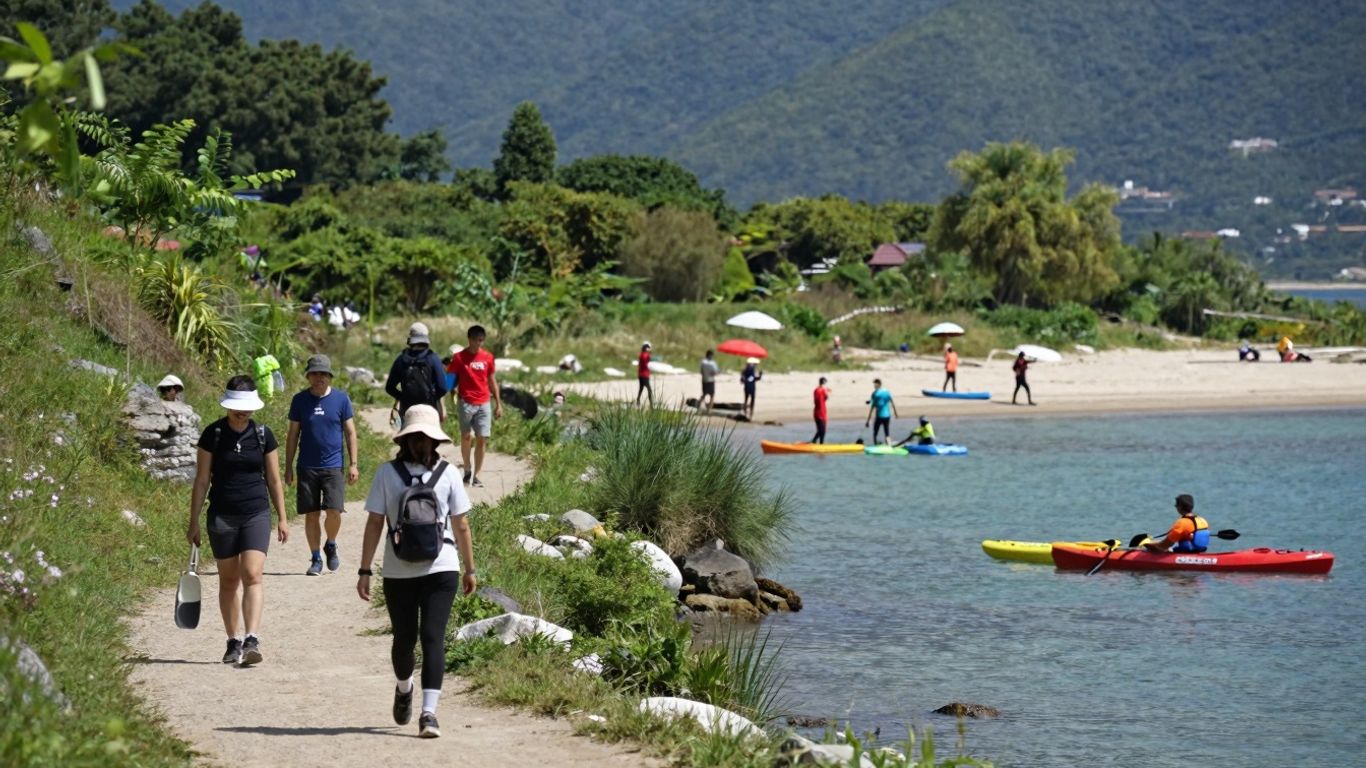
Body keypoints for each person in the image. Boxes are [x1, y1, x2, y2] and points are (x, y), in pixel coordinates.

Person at [357, 404, 476, 739]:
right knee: (420, 638)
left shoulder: (387, 473)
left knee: (415, 638)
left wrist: (365, 570)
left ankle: (424, 708)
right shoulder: (448, 473)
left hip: (408, 568)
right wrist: (470, 568)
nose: (422, 442)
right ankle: (414, 698)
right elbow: (461, 525)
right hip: (439, 565)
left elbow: (375, 523)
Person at [187, 376, 289, 666]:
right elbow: (202, 480)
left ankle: (252, 638)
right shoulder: (213, 434)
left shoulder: (263, 435)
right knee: (229, 579)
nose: (242, 413)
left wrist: (282, 517)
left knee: (253, 573)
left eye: (247, 409)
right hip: (222, 515)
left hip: (256, 512)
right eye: (237, 408)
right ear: (227, 406)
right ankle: (233, 641)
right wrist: (193, 521)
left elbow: (274, 479)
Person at [285, 355, 359, 576]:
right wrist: (288, 466)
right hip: (307, 466)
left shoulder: (341, 399)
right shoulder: (300, 400)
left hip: (333, 466)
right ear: (308, 376)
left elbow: (350, 433)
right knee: (312, 514)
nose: (319, 378)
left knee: (334, 511)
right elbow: (292, 435)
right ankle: (316, 557)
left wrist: (353, 464)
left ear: (330, 376)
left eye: (324, 374)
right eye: (315, 373)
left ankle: (331, 543)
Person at [446, 325, 502, 487]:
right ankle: (467, 469)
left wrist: (498, 404)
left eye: (482, 340)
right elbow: (449, 381)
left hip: (484, 402)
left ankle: (477, 475)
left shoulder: (488, 357)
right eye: (477, 340)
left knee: (482, 438)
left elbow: (492, 381)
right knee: (466, 436)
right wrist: (445, 392)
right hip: (465, 402)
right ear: (469, 340)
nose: (479, 343)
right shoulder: (459, 358)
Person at [385, 322, 447, 422]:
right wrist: (433, 397)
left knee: (405, 431)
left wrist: (402, 397)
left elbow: (389, 387)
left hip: (407, 409)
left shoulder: (401, 359)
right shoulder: (433, 358)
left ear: (411, 339)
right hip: (430, 409)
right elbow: (443, 388)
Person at [1144, 494, 1210, 553]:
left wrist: (1147, 545)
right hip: (1199, 551)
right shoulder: (1202, 520)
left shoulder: (1181, 523)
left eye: (1176, 505)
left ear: (1180, 507)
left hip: (1186, 553)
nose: (1175, 506)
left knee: (1151, 549)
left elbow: (1164, 546)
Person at [864, 379, 898, 445]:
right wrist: (895, 413)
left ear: (879, 384)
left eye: (875, 384)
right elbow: (892, 402)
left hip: (879, 416)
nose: (874, 386)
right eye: (874, 384)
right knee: (887, 432)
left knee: (875, 432)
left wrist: (868, 421)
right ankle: (889, 445)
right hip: (887, 415)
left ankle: (875, 444)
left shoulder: (874, 394)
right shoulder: (887, 392)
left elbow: (872, 408)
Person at [699, 349, 720, 414]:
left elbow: (701, 371)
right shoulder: (712, 363)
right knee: (712, 395)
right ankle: (709, 410)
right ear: (711, 355)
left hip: (704, 380)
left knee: (704, 394)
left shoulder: (703, 362)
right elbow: (715, 372)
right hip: (710, 380)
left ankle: (699, 407)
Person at [812, 377, 830, 444]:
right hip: (818, 412)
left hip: (823, 412)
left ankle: (821, 444)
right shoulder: (817, 390)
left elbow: (825, 398)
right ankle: (813, 441)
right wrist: (824, 392)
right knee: (821, 430)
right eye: (825, 383)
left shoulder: (823, 391)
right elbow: (816, 401)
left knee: (823, 431)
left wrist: (826, 393)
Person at [636, 342, 654, 406]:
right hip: (644, 375)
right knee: (649, 389)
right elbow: (647, 360)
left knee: (641, 388)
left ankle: (638, 400)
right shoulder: (645, 355)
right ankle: (651, 403)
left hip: (641, 374)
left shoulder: (642, 354)